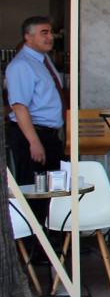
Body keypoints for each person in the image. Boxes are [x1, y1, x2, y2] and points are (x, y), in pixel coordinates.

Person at [5, 16, 65, 186]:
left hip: (48, 134)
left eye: (51, 32)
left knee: (53, 190)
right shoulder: (22, 64)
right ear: (28, 37)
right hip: (32, 135)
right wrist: (34, 142)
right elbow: (19, 106)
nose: (50, 37)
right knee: (35, 189)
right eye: (44, 33)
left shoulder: (43, 61)